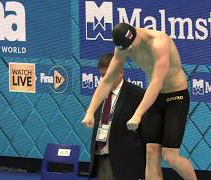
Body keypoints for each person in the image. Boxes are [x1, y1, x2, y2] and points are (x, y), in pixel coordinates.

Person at [82, 23, 197, 180]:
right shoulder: (123, 48)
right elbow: (107, 80)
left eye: (129, 47)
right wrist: (90, 111)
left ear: (134, 36)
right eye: (124, 48)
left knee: (170, 157)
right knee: (151, 152)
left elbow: (157, 82)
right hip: (155, 97)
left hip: (176, 97)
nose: (128, 51)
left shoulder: (159, 42)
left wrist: (138, 113)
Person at [85, 52, 146, 180]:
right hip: (102, 156)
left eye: (109, 75)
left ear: (120, 72)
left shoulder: (137, 95)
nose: (105, 79)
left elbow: (145, 132)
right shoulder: (98, 95)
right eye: (102, 75)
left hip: (126, 162)